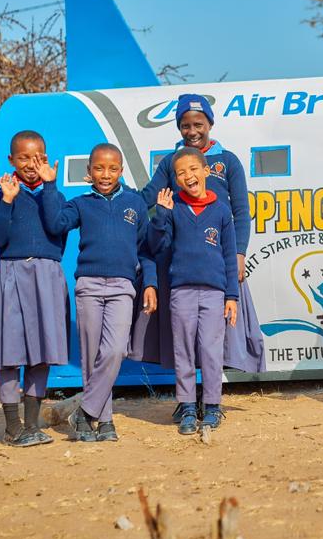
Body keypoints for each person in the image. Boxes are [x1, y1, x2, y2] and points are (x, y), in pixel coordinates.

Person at [135, 93, 263, 379]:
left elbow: (241, 212)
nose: (192, 131)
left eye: (198, 124)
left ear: (210, 123)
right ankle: (187, 402)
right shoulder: (171, 162)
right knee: (182, 337)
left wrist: (240, 252)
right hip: (181, 265)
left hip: (218, 260)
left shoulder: (228, 161)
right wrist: (115, 197)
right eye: (185, 126)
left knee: (216, 335)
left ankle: (212, 400)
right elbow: (148, 198)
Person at [38, 143, 156, 442]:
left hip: (122, 287)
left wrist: (151, 282)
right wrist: (49, 185)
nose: (106, 174)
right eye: (99, 168)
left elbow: (146, 250)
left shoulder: (135, 205)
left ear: (121, 171)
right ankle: (103, 421)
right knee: (92, 358)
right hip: (88, 286)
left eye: (112, 168)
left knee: (115, 350)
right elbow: (55, 223)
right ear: (88, 172)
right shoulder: (81, 204)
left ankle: (83, 412)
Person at [0, 130, 68, 447]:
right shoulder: (0, 196)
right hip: (11, 274)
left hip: (47, 278)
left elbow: (56, 227)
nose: (30, 164)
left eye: (37, 157)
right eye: (23, 157)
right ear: (11, 160)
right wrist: (8, 201)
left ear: (46, 159)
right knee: (9, 355)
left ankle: (32, 424)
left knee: (42, 355)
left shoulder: (55, 195)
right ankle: (13, 428)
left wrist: (49, 185)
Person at [150, 147, 239, 434]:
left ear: (206, 171)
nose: (188, 176)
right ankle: (188, 406)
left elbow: (229, 254)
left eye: (193, 169)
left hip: (214, 293)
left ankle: (212, 407)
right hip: (181, 291)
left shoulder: (221, 211)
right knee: (184, 351)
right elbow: (158, 246)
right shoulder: (173, 208)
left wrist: (232, 296)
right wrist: (161, 215)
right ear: (175, 180)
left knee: (211, 351)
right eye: (180, 173)